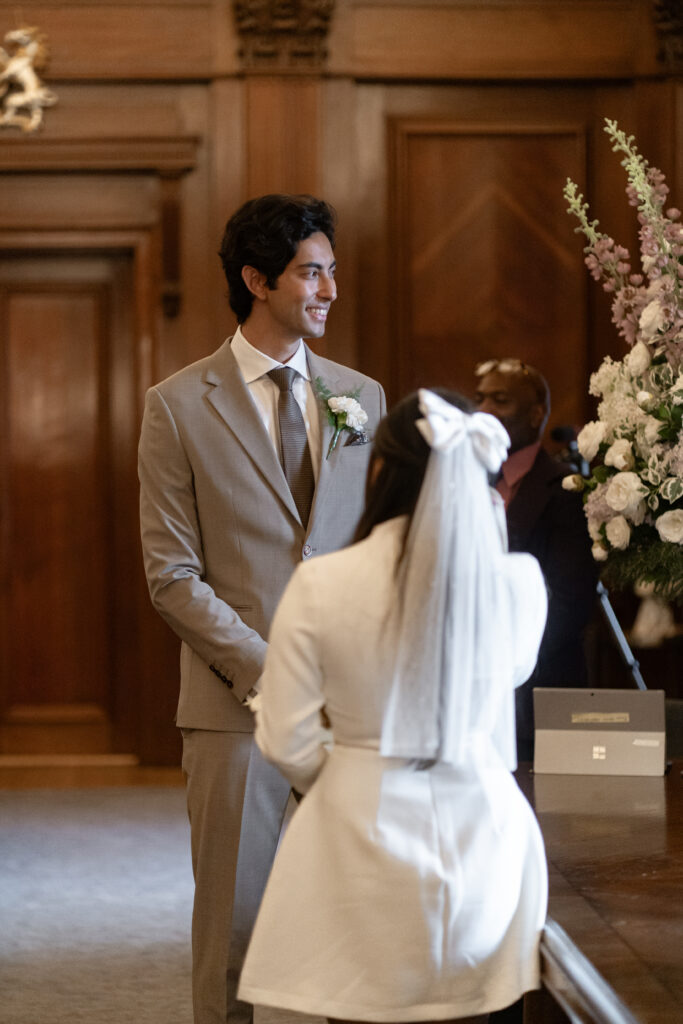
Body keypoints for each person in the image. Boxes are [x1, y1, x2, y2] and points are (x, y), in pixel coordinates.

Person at [138, 193, 386, 1024]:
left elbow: (376, 551)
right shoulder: (176, 404)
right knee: (236, 942)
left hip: (350, 711)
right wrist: (270, 673)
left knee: (353, 931)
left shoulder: (361, 397)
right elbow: (172, 576)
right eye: (311, 273)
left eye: (331, 272)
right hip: (233, 711)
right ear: (256, 280)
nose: (329, 291)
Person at [238, 389, 549, 1023]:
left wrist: (357, 771)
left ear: (380, 470)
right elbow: (503, 682)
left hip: (357, 842)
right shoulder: (518, 585)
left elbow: (286, 738)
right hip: (483, 843)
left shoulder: (321, 583)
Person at [473, 358, 598, 762]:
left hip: (541, 688)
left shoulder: (565, 487)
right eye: (481, 398)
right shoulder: (466, 481)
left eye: (500, 399)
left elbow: (571, 599)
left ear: (536, 413)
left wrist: (509, 663)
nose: (485, 410)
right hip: (473, 691)